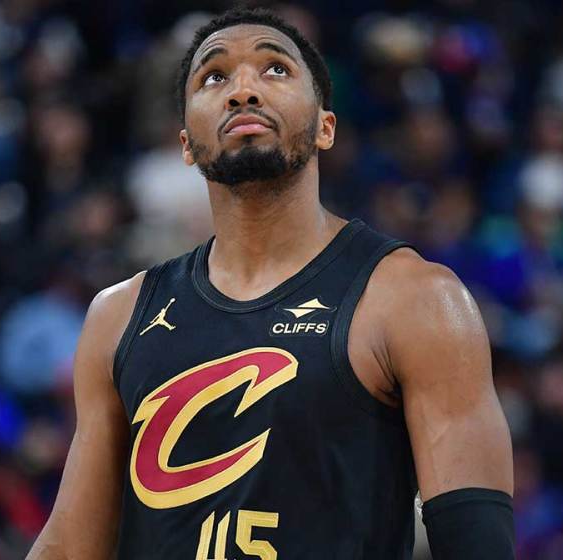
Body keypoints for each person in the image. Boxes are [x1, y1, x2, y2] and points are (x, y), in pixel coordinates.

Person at [27, 8, 513, 559]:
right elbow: (69, 547)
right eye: (214, 77)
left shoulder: (415, 299)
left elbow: (477, 543)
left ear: (325, 126)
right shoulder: (118, 316)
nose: (242, 92)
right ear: (187, 144)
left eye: (274, 69)